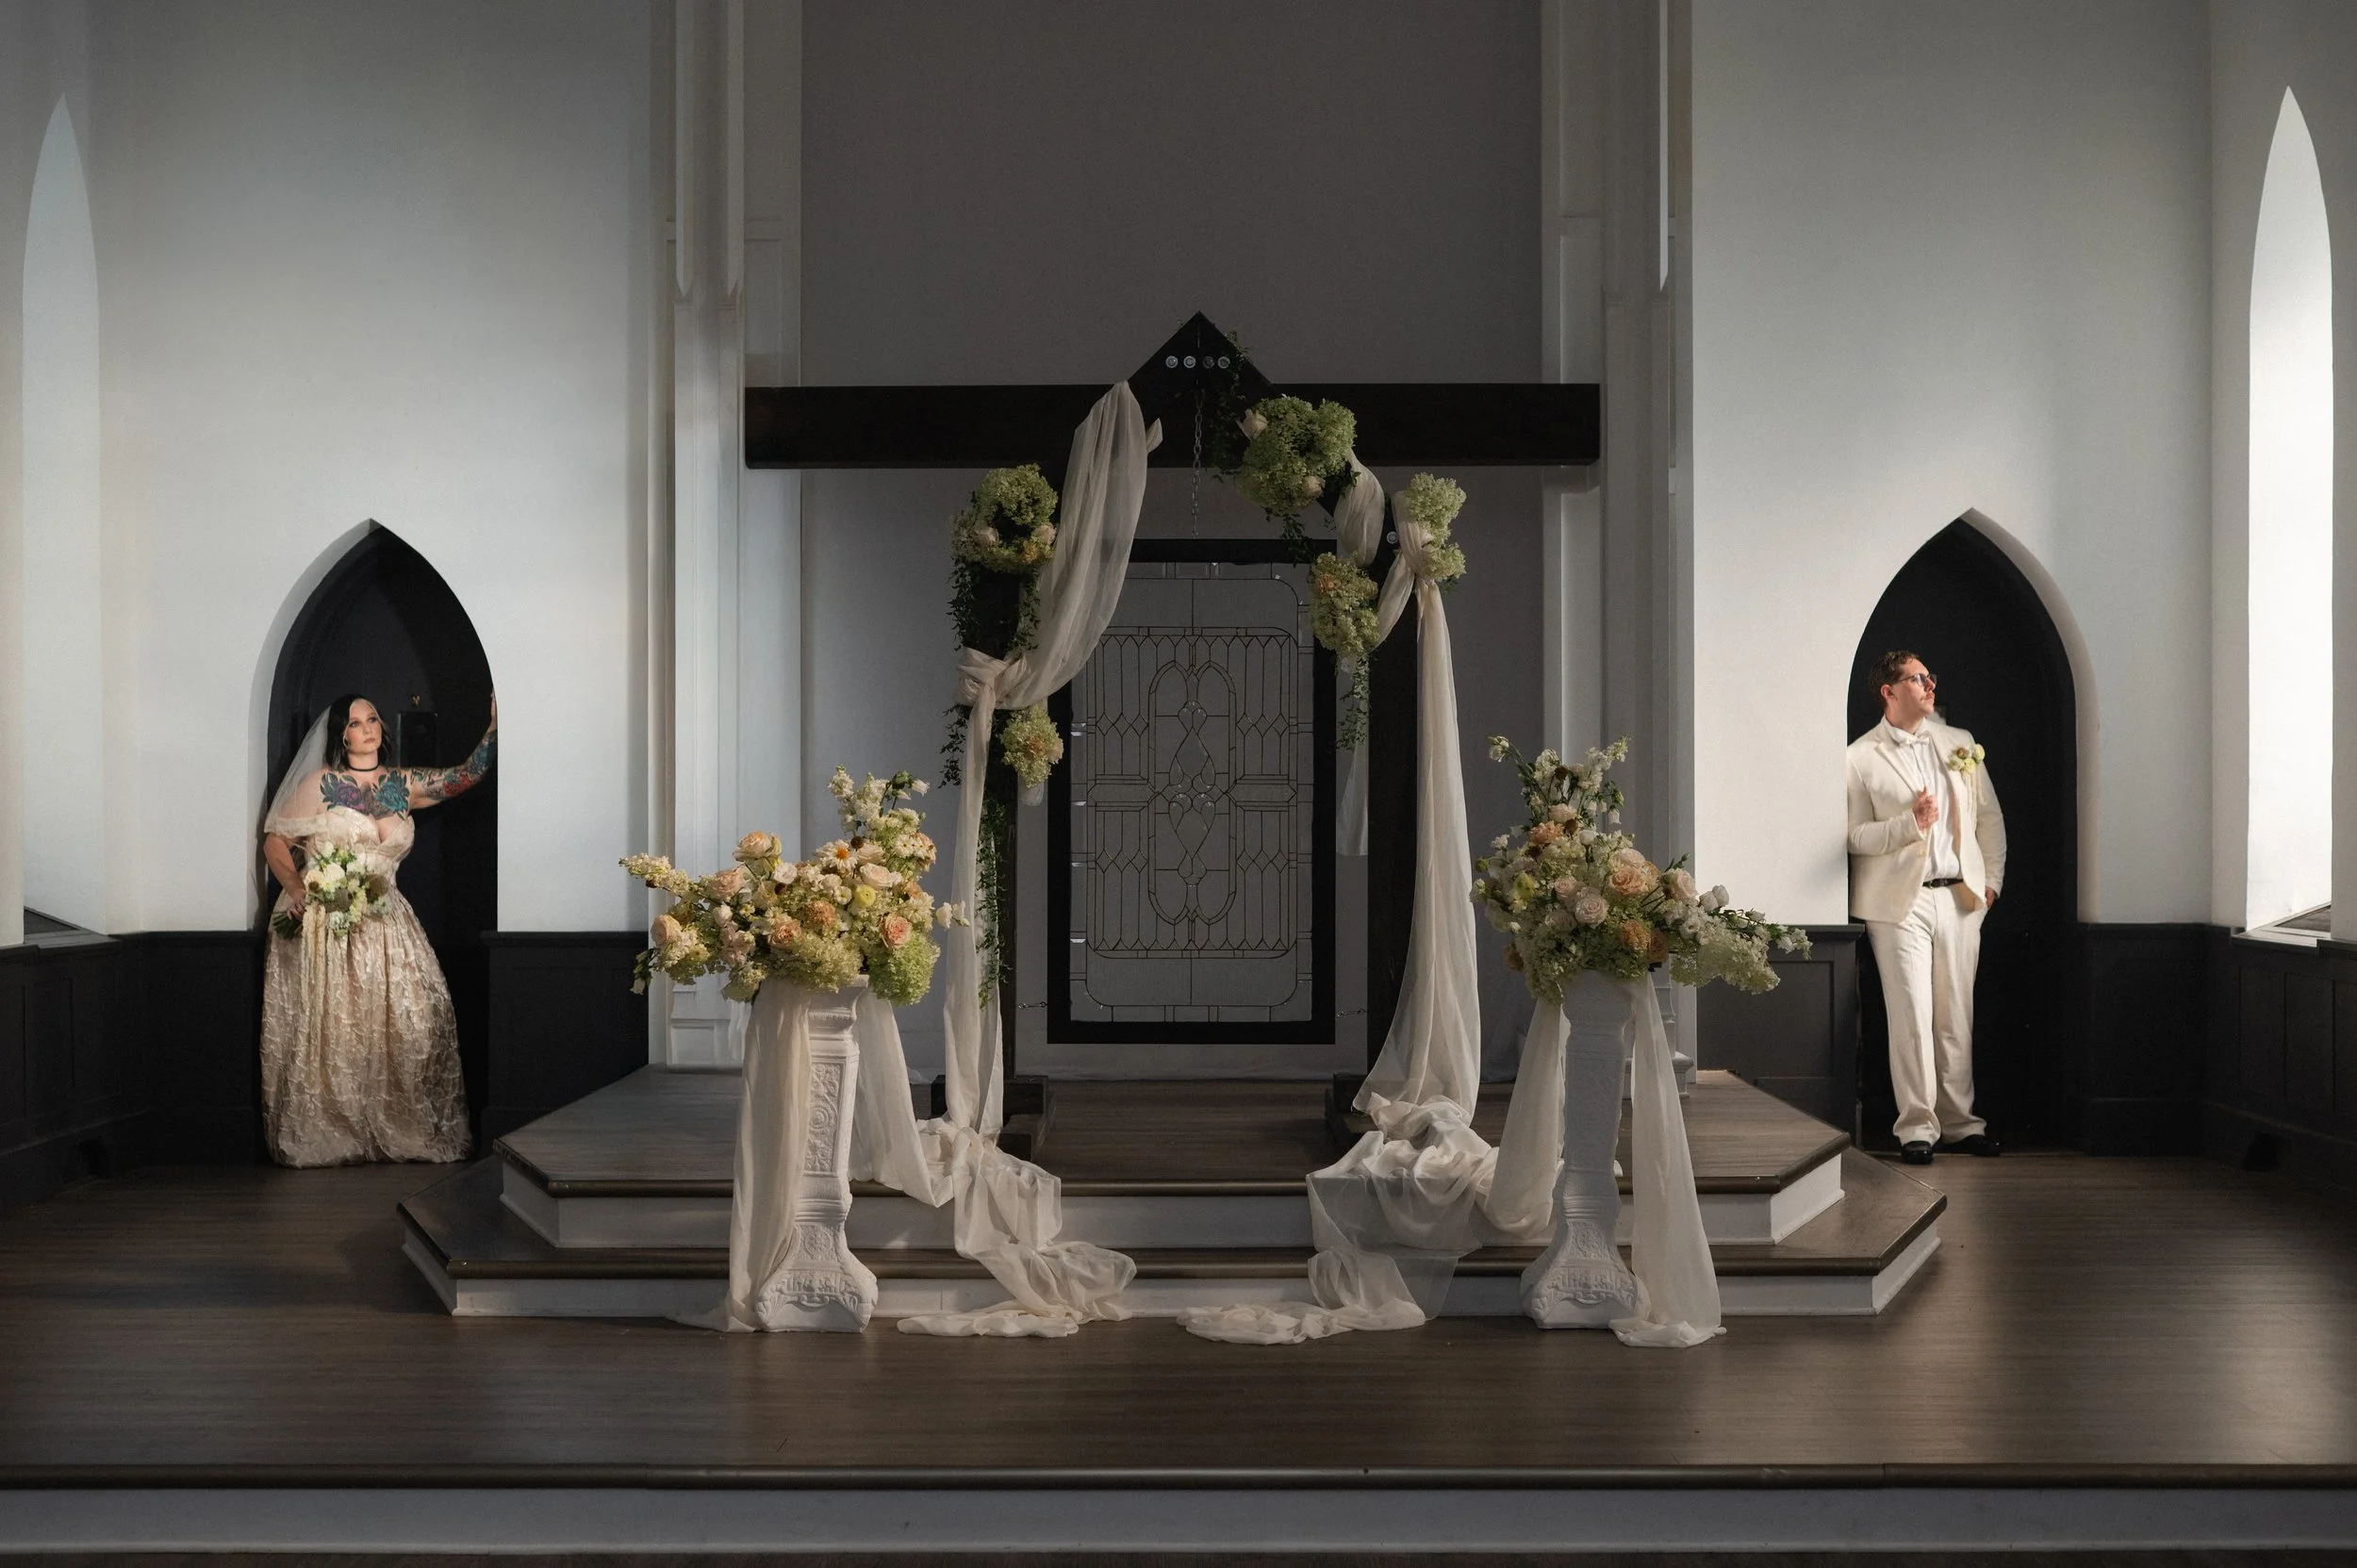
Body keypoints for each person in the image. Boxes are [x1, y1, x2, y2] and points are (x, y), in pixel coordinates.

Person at [258, 693, 496, 1166]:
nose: (367, 728)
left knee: (415, 1016)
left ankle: (397, 1126)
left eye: (372, 719)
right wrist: (298, 888)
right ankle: (334, 1128)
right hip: (328, 922)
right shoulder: (320, 783)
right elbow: (276, 841)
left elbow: (467, 775)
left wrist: (495, 728)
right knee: (335, 1027)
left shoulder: (401, 784)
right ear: (341, 734)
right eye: (355, 721)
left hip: (387, 918)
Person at [1845, 652, 2006, 1165]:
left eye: (1930, 676)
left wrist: (1992, 884)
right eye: (1917, 678)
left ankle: (1961, 1123)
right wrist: (1909, 825)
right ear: (1888, 691)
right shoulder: (1858, 757)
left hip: (1961, 897)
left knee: (1957, 1014)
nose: (1929, 683)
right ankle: (1917, 1127)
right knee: (1912, 1015)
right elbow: (1852, 836)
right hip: (1898, 904)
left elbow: (1989, 817)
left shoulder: (1960, 743)